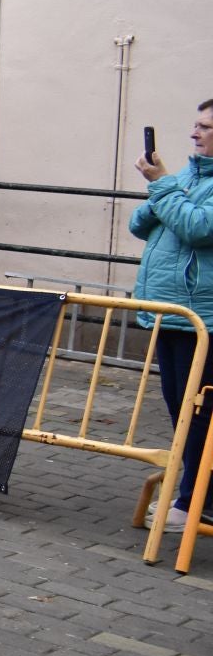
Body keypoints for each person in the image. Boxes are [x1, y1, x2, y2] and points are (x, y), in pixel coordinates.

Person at [131, 99, 213, 532]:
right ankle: (193, 490)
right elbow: (139, 224)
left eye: (206, 127)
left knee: (201, 415)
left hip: (205, 319)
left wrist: (164, 187)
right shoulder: (186, 176)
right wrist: (163, 187)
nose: (195, 134)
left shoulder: (180, 182)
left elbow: (198, 229)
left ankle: (197, 500)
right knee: (181, 410)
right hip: (172, 313)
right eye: (196, 125)